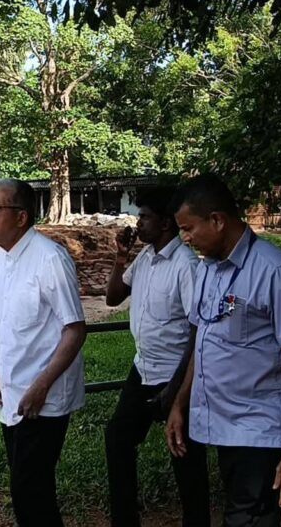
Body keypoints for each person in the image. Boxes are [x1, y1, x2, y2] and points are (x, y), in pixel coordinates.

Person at [165, 174, 281, 527]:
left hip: (258, 431)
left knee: (245, 519)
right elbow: (202, 342)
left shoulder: (274, 271)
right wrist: (180, 404)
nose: (184, 239)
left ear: (217, 220)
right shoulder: (207, 269)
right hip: (222, 427)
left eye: (188, 229)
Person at [0, 178, 87, 527]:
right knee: (25, 488)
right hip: (11, 393)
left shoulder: (50, 259)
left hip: (45, 397)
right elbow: (2, 324)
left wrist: (41, 386)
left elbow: (75, 330)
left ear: (21, 216)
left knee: (30, 491)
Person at [104, 189, 210, 527]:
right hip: (143, 369)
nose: (138, 224)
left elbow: (198, 329)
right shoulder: (145, 257)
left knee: (185, 456)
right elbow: (112, 298)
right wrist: (121, 256)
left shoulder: (186, 265)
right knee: (117, 439)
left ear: (165, 223)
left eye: (145, 217)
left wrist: (177, 389)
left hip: (175, 374)